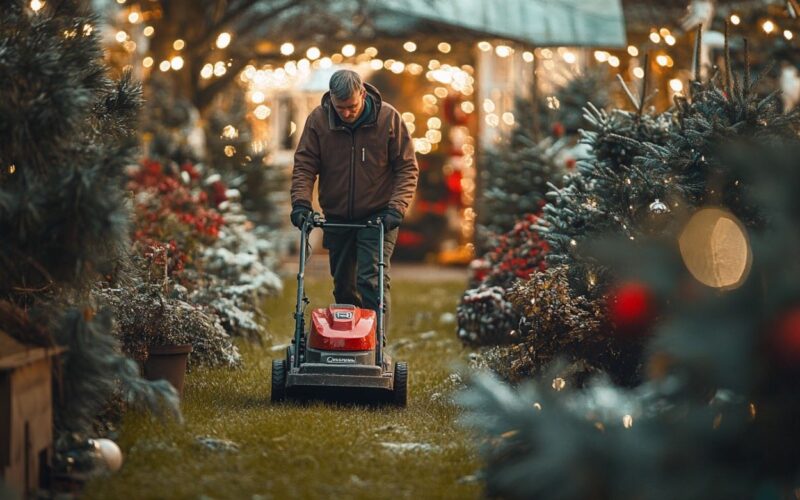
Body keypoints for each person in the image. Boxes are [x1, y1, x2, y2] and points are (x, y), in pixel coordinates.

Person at [290, 69, 419, 335]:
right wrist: (301, 203)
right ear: (331, 100)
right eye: (340, 108)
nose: (346, 113)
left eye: (351, 107)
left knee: (371, 281)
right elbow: (304, 166)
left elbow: (407, 168)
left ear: (362, 93)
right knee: (344, 286)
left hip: (379, 216)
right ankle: (349, 343)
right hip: (337, 217)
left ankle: (374, 347)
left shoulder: (388, 118)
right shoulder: (318, 121)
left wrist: (396, 208)